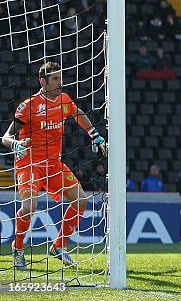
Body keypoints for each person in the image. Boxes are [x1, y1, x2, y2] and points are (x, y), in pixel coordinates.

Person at [2, 62, 107, 269]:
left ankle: (58, 246)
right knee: (29, 206)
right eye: (56, 79)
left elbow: (78, 114)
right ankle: (18, 247)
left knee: (81, 200)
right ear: (43, 81)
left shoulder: (64, 100)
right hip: (29, 164)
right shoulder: (28, 106)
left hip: (53, 164)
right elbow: (6, 137)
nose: (61, 83)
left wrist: (93, 134)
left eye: (61, 78)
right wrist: (15, 144)